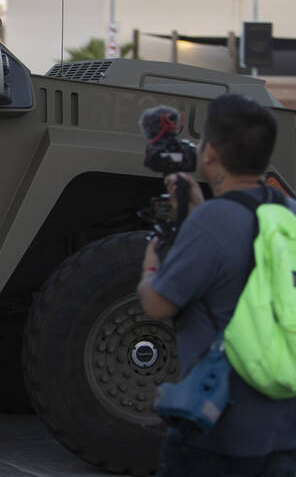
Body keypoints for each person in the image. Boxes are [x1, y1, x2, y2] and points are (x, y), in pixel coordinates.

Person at [137, 93, 296, 476]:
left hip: (219, 427)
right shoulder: (287, 211)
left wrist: (150, 263)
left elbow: (158, 306)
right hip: (285, 428)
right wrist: (195, 212)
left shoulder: (211, 222)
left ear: (210, 153)